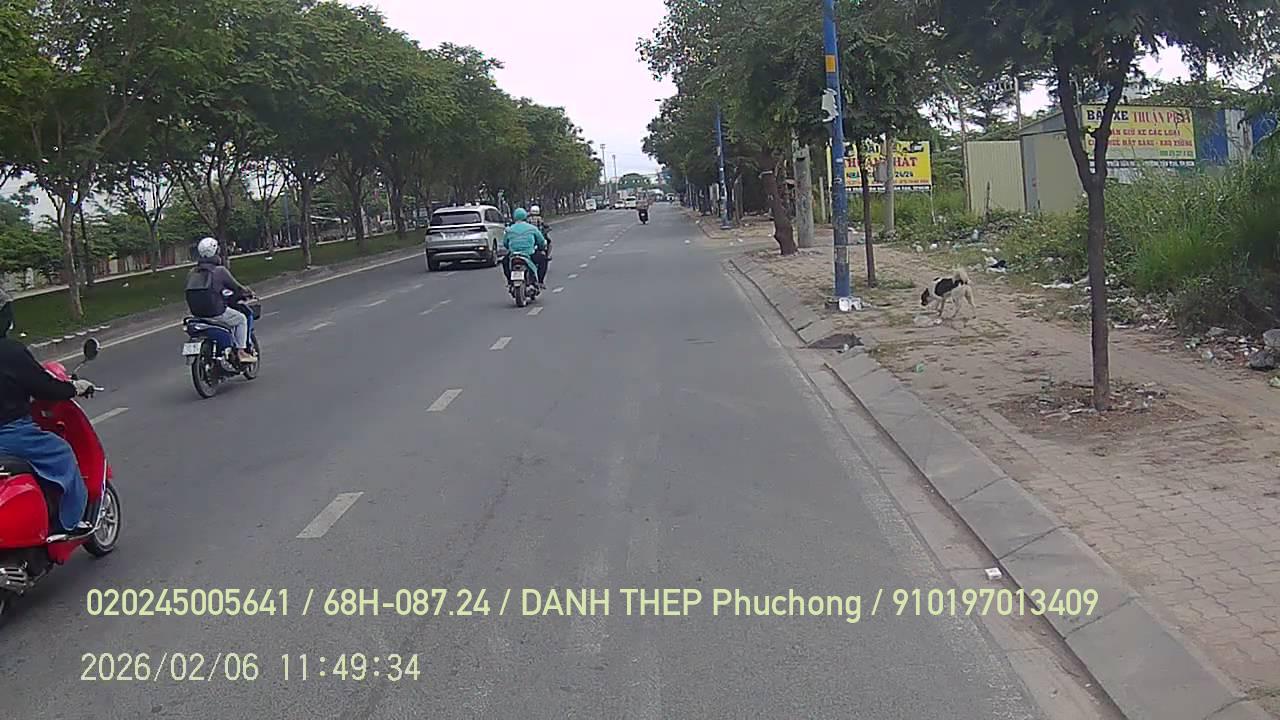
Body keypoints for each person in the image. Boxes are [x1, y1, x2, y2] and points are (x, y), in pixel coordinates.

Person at [0, 288, 96, 533]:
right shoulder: (10, 352)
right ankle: (70, 523)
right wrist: (74, 388)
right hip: (11, 434)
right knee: (62, 454)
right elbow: (44, 387)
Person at [184, 237, 258, 364]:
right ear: (215, 252)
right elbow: (237, 288)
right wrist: (248, 293)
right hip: (216, 312)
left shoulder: (192, 273)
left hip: (196, 314)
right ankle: (241, 352)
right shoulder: (220, 271)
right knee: (241, 319)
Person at [502, 208, 549, 288]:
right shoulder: (532, 228)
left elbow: (505, 243)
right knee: (543, 260)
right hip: (529, 253)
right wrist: (542, 247)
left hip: (513, 254)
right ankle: (540, 282)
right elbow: (541, 241)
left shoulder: (509, 229)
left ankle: (510, 282)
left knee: (505, 262)